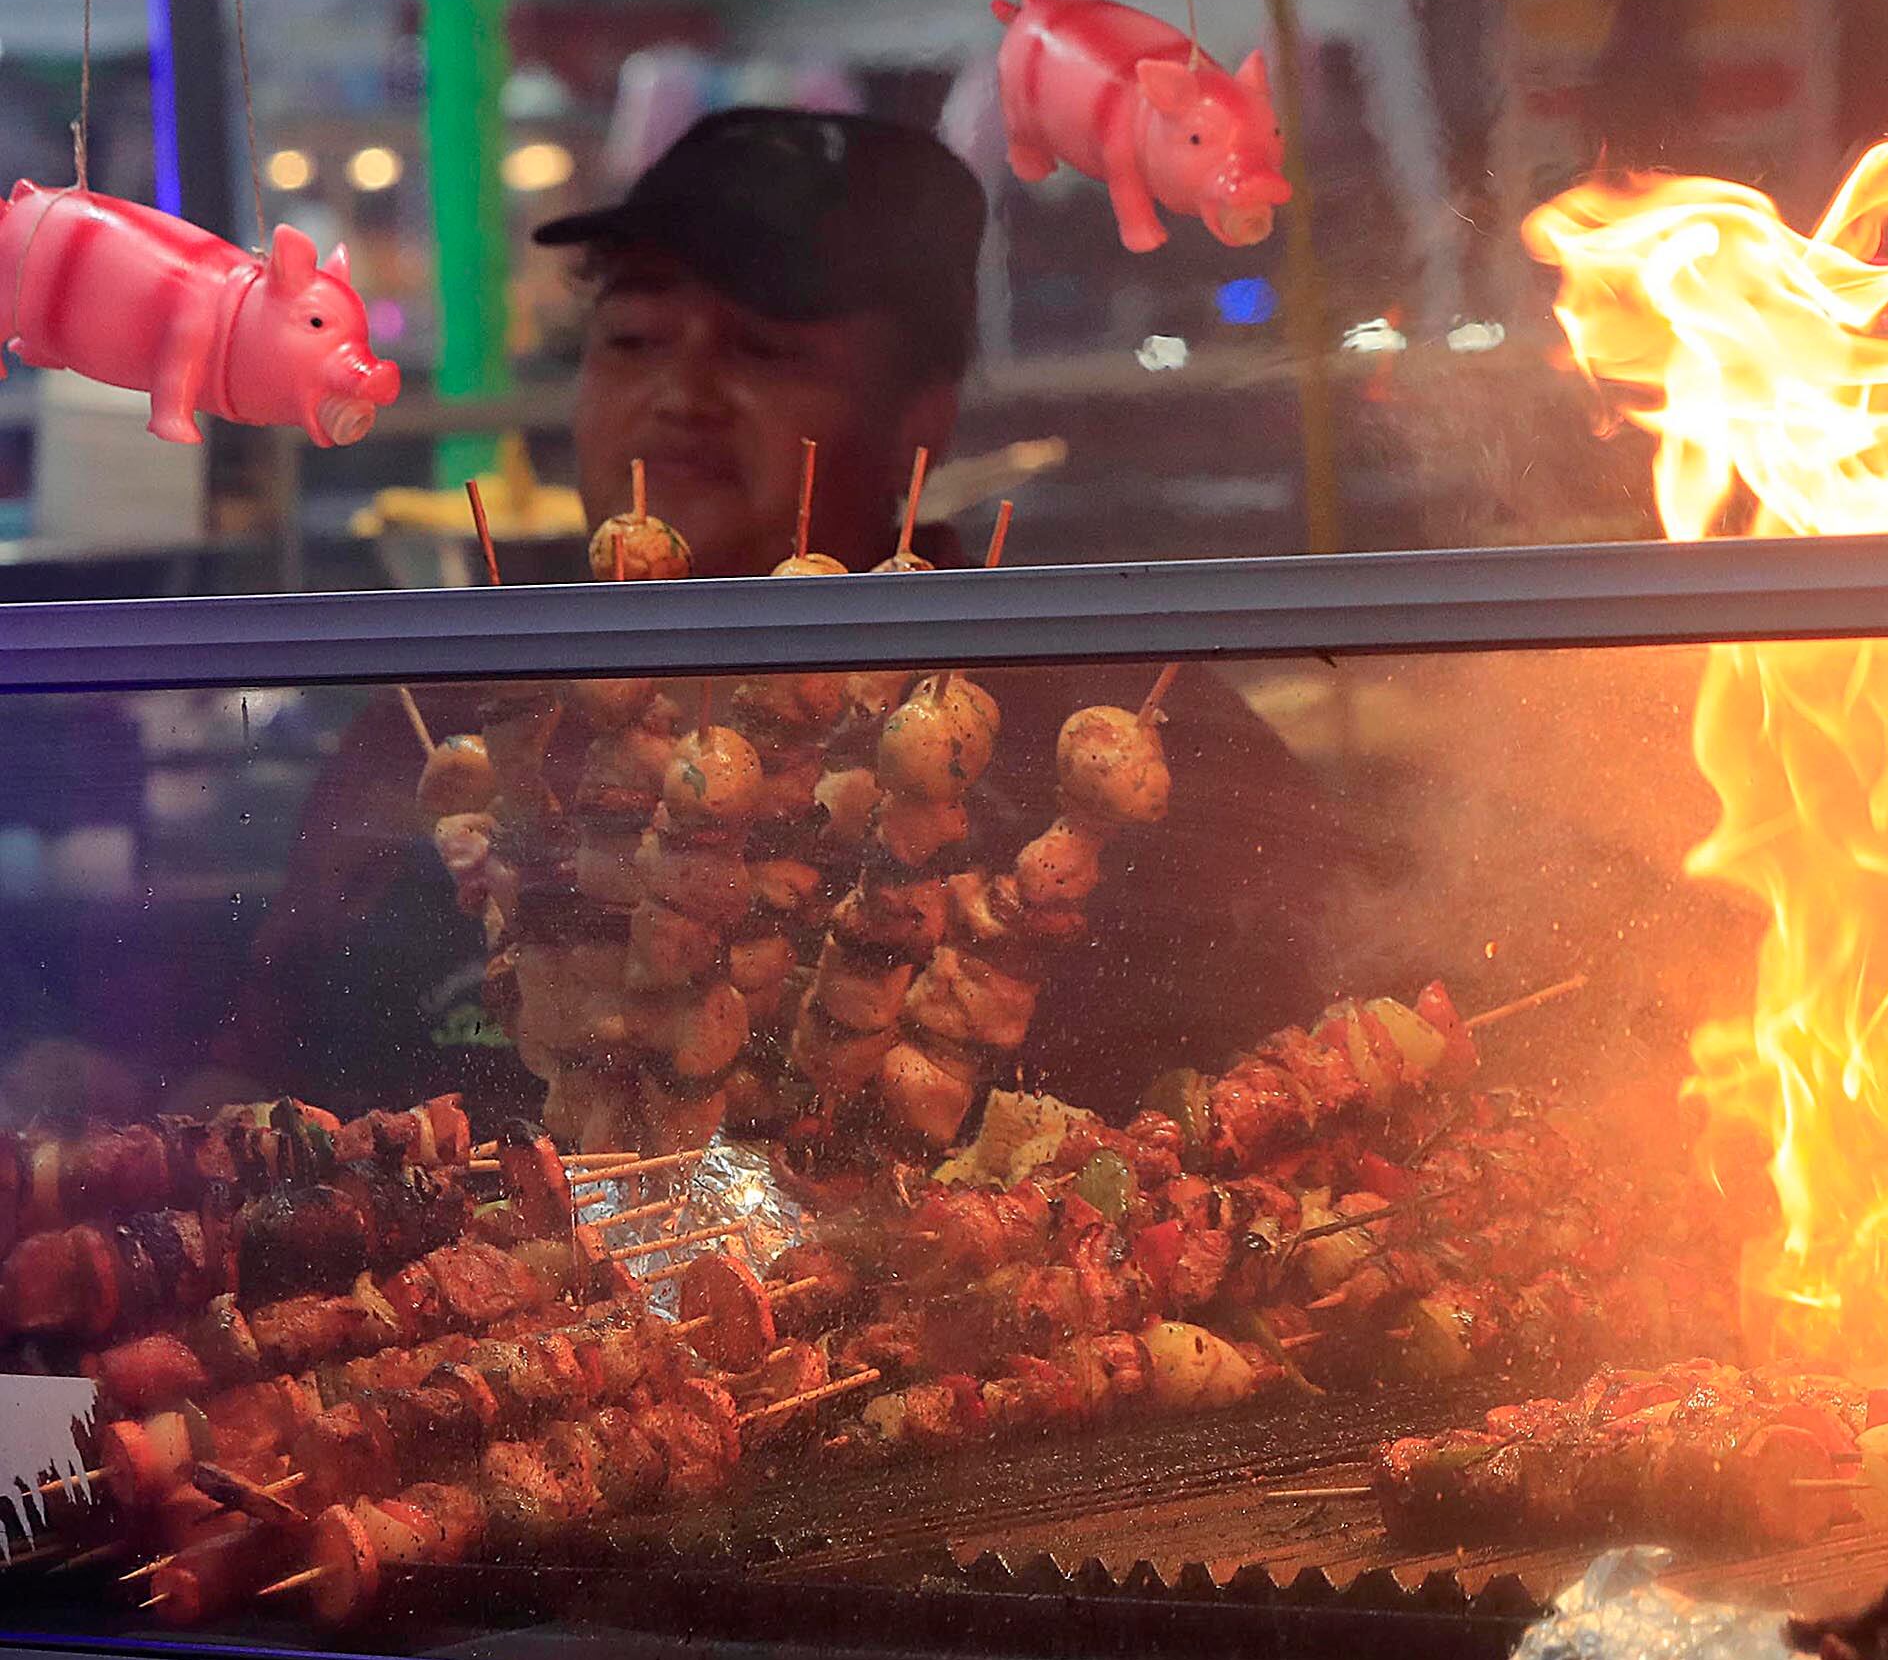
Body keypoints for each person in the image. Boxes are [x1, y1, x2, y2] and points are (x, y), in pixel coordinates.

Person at [211, 109, 1370, 1113]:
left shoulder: (1101, 715)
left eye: (764, 348)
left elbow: (1327, 1056)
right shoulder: (462, 713)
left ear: (923, 413)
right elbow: (254, 1070)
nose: (679, 395)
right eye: (631, 340)